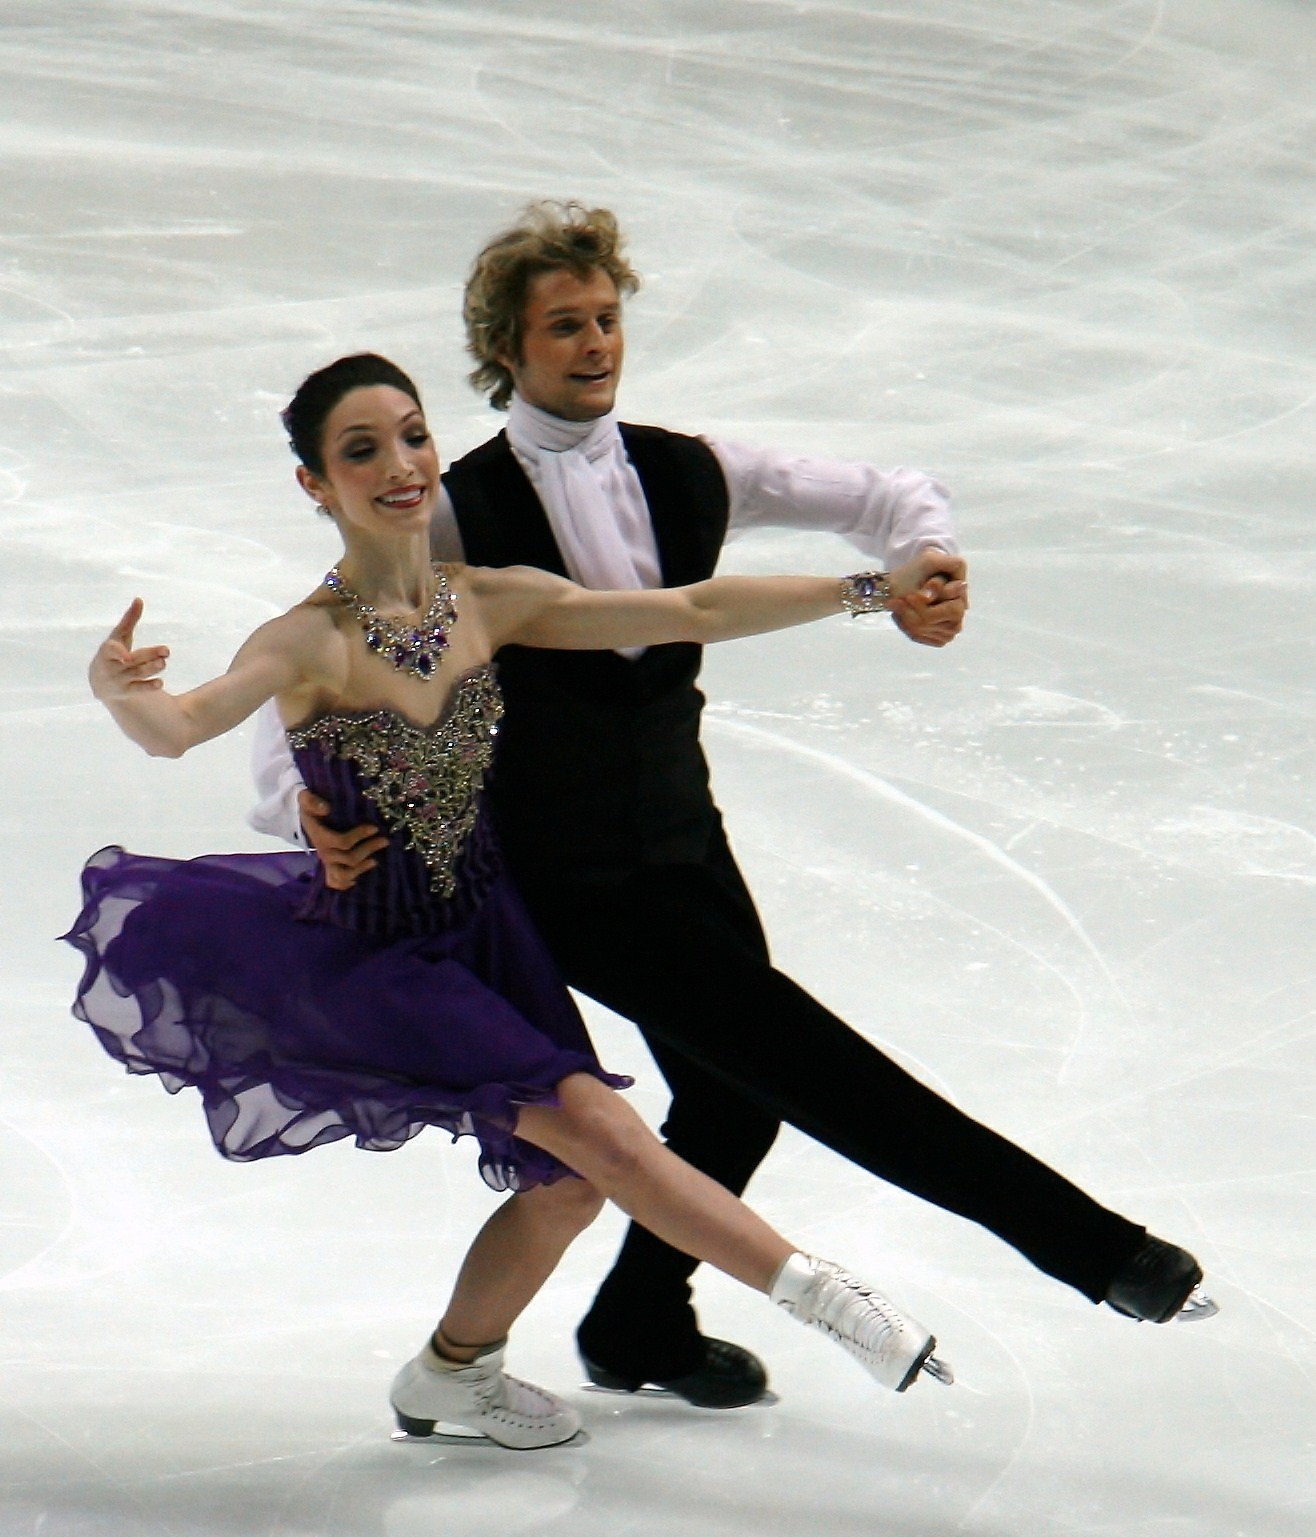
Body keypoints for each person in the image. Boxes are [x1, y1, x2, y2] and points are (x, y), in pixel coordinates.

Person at [250, 205, 1216, 1410]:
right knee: (811, 1066)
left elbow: (890, 493)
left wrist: (924, 557)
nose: (595, 343)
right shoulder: (448, 511)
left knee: (726, 1096)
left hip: (682, 839)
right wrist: (299, 802)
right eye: (563, 326)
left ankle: (639, 1322)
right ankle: (1095, 1248)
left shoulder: (690, 467)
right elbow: (311, 662)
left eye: (606, 318)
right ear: (505, 346)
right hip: (563, 877)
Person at [66, 351, 977, 1452]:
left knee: (561, 1186)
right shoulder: (305, 638)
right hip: (385, 950)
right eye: (360, 451)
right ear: (316, 484)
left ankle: (454, 1372)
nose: (398, 465)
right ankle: (833, 1302)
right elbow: (184, 725)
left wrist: (870, 589)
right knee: (609, 1136)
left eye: (409, 435)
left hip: (488, 929)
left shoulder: (483, 600)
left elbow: (687, 603)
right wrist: (124, 696)